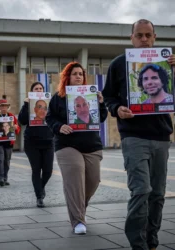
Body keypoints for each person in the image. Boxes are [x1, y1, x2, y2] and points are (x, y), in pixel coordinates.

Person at [102, 19, 175, 250]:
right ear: (131, 38)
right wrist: (117, 109)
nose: (144, 39)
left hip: (160, 137)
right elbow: (108, 96)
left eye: (148, 35)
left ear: (154, 37)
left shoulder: (167, 63)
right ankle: (137, 244)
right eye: (139, 35)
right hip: (133, 136)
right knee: (141, 190)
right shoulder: (119, 64)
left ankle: (151, 239)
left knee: (157, 194)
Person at [46, 62, 107, 234]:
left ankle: (79, 207)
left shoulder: (92, 95)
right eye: (74, 74)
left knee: (93, 181)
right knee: (75, 179)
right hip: (67, 144)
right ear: (67, 77)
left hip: (91, 144)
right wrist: (59, 126)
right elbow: (49, 118)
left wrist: (101, 103)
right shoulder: (58, 97)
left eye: (81, 73)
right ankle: (78, 220)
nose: (78, 76)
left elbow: (101, 118)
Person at [18, 81, 54, 208]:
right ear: (32, 92)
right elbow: (22, 121)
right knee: (36, 170)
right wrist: (26, 104)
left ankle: (40, 187)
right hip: (32, 142)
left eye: (41, 88)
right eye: (36, 89)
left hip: (48, 141)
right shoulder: (28, 104)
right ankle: (39, 197)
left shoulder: (50, 103)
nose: (39, 90)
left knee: (48, 171)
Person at [0, 96, 20, 187]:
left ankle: (5, 178)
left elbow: (18, 130)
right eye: (2, 106)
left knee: (7, 161)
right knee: (0, 159)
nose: (4, 108)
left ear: (7, 107)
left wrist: (16, 128)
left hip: (9, 142)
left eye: (5, 106)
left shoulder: (12, 116)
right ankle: (0, 178)